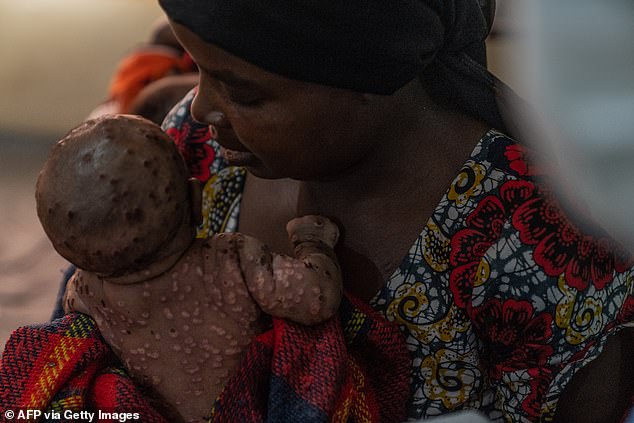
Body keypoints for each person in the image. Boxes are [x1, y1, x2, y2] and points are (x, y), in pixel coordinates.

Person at [150, 0, 634, 422]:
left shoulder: (534, 239)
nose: (201, 109)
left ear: (368, 70)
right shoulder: (194, 154)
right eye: (198, 68)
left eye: (244, 93)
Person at [34, 114, 343, 423]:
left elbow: (72, 317)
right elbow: (317, 299)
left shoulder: (85, 291)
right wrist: (312, 243)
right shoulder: (233, 260)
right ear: (197, 201)